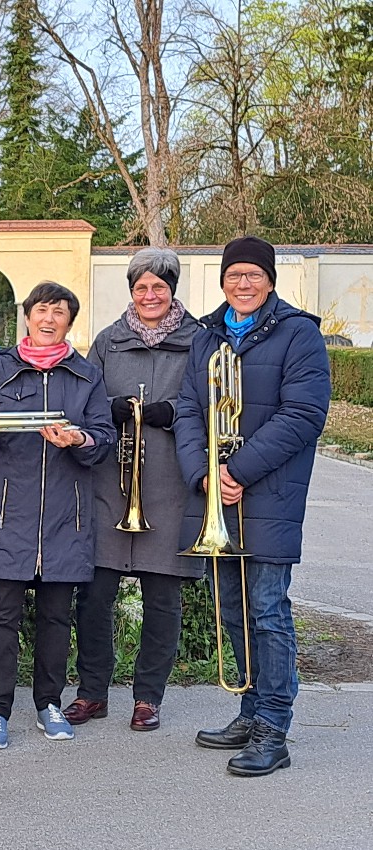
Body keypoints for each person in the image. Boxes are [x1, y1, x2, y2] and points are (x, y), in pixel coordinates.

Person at [174, 235, 330, 776]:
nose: (243, 284)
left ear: (270, 280)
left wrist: (237, 470)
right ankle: (248, 707)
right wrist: (203, 474)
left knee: (267, 612)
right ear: (222, 280)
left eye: (253, 275)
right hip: (218, 494)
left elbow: (305, 414)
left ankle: (274, 727)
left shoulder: (299, 334)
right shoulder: (206, 336)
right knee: (233, 612)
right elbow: (188, 410)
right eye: (233, 275)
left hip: (270, 493)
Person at [0, 282, 115, 750]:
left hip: (65, 518)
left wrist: (79, 441)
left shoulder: (86, 375)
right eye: (42, 310)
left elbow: (104, 436)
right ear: (28, 317)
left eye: (59, 312)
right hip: (3, 515)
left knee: (57, 617)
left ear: (69, 322)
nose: (49, 318)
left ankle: (49, 704)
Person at [65, 247, 203, 733]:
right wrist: (110, 406)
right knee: (95, 597)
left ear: (172, 290)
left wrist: (176, 413)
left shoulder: (198, 340)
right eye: (141, 287)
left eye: (159, 287)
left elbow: (216, 404)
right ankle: (92, 692)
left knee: (162, 600)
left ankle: (148, 697)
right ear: (131, 291)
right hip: (110, 488)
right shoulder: (108, 340)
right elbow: (80, 399)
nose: (150, 295)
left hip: (169, 488)